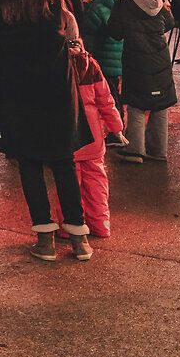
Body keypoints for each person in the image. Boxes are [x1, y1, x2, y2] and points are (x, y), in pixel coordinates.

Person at [0, 0, 93, 262]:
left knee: (29, 163)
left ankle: (45, 238)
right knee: (63, 161)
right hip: (56, 87)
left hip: (17, 91)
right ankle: (79, 235)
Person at [106, 0, 175, 164]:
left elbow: (115, 32)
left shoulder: (124, 3)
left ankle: (136, 150)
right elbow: (170, 22)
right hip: (160, 58)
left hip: (136, 58)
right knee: (160, 106)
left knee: (136, 104)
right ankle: (159, 151)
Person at [71, 42, 122, 238]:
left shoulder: (57, 64)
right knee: (97, 182)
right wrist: (116, 127)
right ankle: (101, 225)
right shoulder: (91, 64)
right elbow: (106, 100)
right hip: (93, 137)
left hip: (71, 137)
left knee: (70, 184)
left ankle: (71, 226)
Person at [79, 0, 125, 118]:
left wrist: (85, 6)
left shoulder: (97, 8)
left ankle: (116, 130)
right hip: (120, 55)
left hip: (105, 57)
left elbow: (87, 29)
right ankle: (120, 123)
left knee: (109, 96)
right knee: (117, 94)